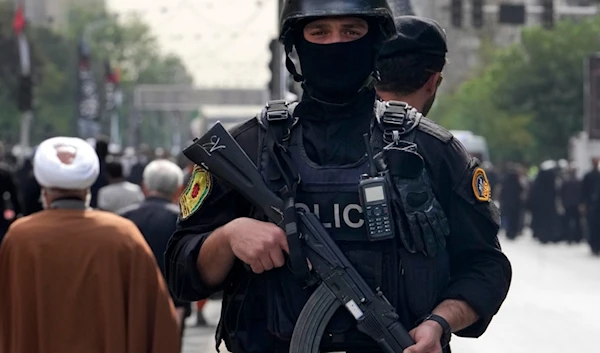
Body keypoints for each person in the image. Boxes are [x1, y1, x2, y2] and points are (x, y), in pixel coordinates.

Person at [166, 5, 511, 353]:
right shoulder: (249, 148)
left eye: (351, 31)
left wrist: (440, 321)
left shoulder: (432, 151)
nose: (335, 44)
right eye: (319, 32)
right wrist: (228, 237)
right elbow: (181, 273)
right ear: (296, 49)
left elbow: (486, 266)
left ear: (375, 42)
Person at [0, 137, 181, 353]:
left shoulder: (21, 238)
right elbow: (158, 321)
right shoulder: (122, 235)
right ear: (88, 190)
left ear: (44, 191)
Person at [119, 159, 193, 345]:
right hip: (173, 300)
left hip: (129, 302)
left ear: (144, 187)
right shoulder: (183, 221)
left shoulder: (122, 220)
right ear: (178, 190)